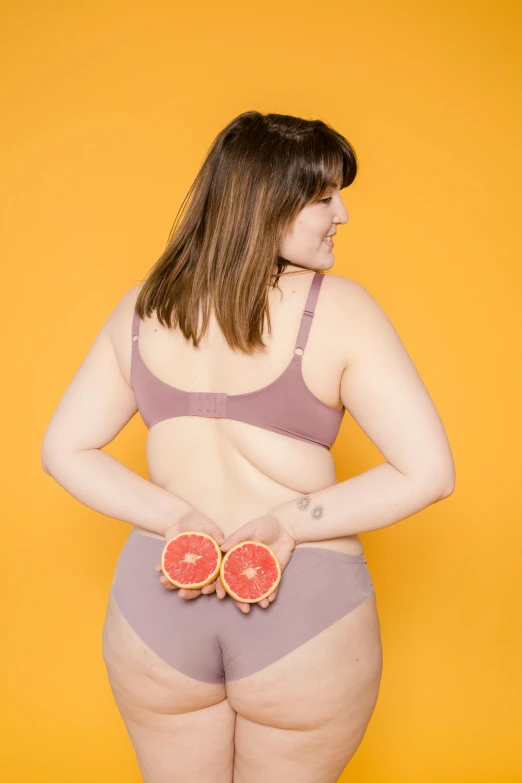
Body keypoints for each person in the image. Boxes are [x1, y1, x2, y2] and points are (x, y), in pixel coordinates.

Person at [41, 111, 455, 783]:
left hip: (158, 604)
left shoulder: (144, 309)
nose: (342, 214)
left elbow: (65, 448)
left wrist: (175, 519)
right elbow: (429, 472)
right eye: (324, 197)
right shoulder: (341, 308)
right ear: (271, 202)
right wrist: (288, 521)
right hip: (304, 607)